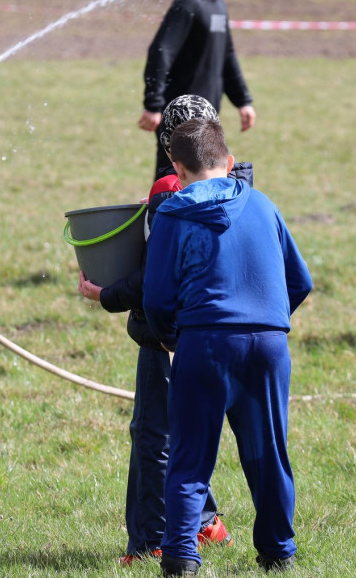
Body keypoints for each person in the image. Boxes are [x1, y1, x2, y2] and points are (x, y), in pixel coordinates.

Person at [143, 119, 312, 576]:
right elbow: (301, 281)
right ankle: (279, 551)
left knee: (191, 457)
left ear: (176, 169)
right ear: (231, 163)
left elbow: (156, 299)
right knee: (269, 453)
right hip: (268, 346)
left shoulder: (172, 214)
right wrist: (268, 322)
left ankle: (180, 555)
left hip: (205, 345)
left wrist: (172, 337)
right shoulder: (264, 205)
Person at [78, 96, 233, 566]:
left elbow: (155, 279)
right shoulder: (237, 182)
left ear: (171, 148)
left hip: (167, 338)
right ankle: (206, 522)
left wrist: (104, 293)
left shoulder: (169, 191)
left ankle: (150, 542)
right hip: (222, 334)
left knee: (153, 437)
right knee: (189, 432)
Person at [139, 0, 256, 179]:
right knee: (171, 181)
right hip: (179, 114)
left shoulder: (217, 4)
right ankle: (159, 218)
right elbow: (161, 50)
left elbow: (227, 55)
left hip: (207, 115)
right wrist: (153, 104)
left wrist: (243, 100)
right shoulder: (188, 2)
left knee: (205, 181)